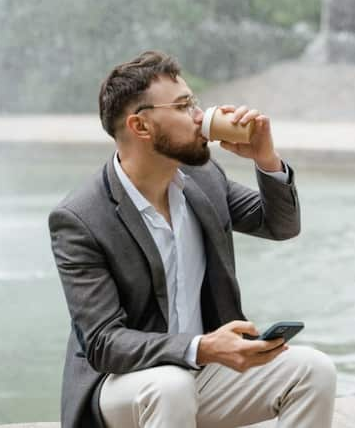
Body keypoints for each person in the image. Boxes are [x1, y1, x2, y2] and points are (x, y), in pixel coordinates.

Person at [48, 50, 336, 428]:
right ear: (141, 126)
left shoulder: (203, 180)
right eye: (184, 106)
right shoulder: (79, 218)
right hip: (121, 387)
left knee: (313, 370)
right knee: (171, 386)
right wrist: (201, 347)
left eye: (194, 103)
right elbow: (103, 343)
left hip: (202, 371)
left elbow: (279, 225)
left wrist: (265, 159)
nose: (200, 117)